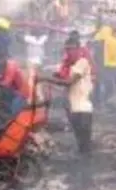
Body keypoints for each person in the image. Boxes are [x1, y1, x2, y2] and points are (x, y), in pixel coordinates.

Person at [40, 36, 94, 166]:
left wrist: (46, 78)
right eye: (67, 50)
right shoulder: (69, 64)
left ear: (78, 49)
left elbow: (69, 82)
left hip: (84, 106)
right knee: (79, 135)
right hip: (73, 104)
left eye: (71, 49)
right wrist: (55, 76)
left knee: (84, 136)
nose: (69, 52)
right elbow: (64, 77)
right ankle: (83, 165)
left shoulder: (82, 62)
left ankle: (86, 167)